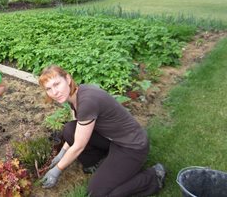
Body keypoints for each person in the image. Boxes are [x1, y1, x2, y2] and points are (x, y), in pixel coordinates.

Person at [38, 65, 166, 197]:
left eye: (57, 84)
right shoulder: (74, 96)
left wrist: (57, 170)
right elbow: (77, 130)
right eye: (48, 88)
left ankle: (153, 178)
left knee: (97, 193)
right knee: (70, 129)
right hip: (114, 141)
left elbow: (79, 146)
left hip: (132, 147)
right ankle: (100, 164)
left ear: (68, 79)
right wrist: (62, 153)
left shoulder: (87, 101)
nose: (54, 92)